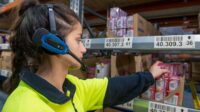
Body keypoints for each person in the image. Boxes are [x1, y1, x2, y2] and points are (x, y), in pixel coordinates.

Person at [2, 0, 169, 112]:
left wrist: (151, 74)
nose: (83, 49)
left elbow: (114, 87)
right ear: (53, 43)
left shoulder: (71, 87)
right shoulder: (24, 107)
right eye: (78, 39)